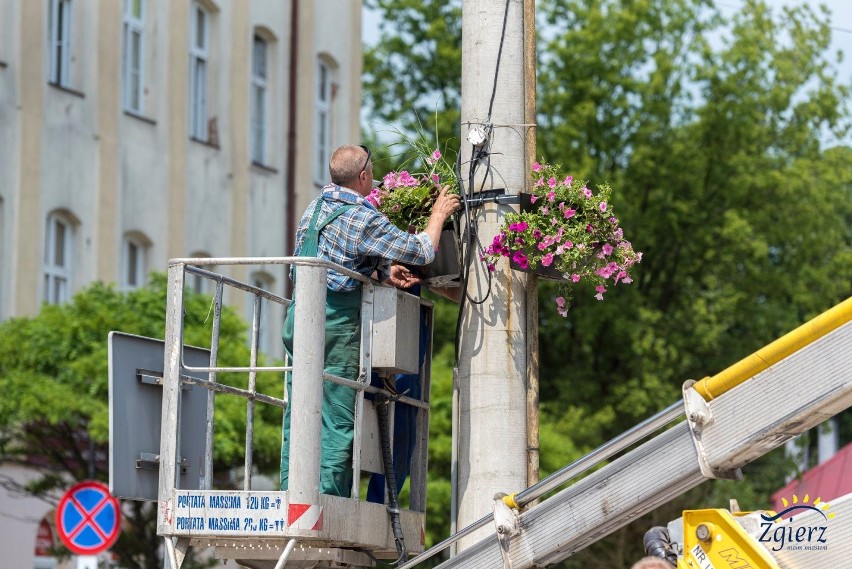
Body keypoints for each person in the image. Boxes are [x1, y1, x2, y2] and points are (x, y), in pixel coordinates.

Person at [280, 144, 460, 498]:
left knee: (299, 415)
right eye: (372, 171)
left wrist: (381, 271)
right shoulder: (362, 216)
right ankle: (324, 506)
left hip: (299, 318)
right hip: (335, 326)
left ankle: (292, 494)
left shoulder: (315, 210)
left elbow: (338, 257)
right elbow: (422, 250)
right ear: (363, 176)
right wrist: (438, 214)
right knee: (337, 420)